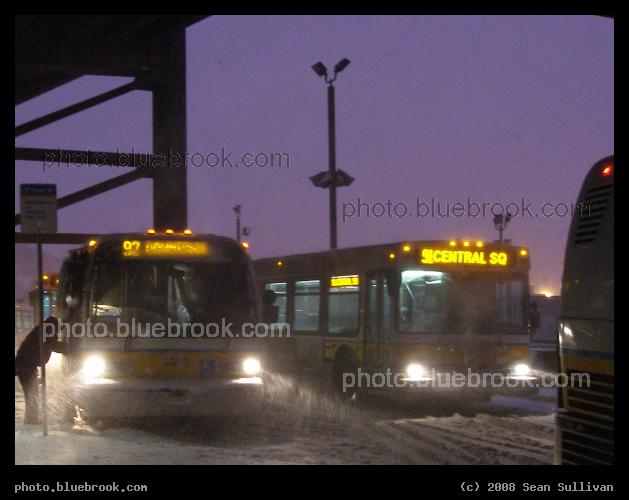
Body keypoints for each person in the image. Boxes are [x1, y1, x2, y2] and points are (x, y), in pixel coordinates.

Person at [15, 316, 66, 425]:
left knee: (32, 394)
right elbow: (56, 346)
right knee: (31, 394)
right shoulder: (46, 332)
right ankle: (32, 421)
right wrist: (74, 349)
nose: (57, 331)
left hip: (25, 366)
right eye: (56, 328)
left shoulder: (42, 330)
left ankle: (32, 419)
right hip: (26, 366)